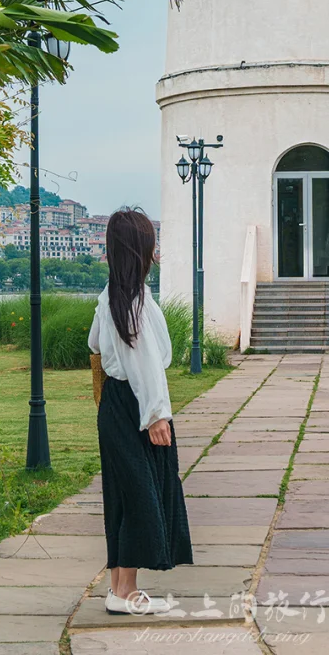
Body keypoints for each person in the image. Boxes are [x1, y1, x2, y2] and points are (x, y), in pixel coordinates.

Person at [88, 207, 192, 615]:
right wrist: (156, 415)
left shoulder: (110, 298)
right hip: (135, 404)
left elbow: (94, 345)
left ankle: (118, 588)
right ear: (140, 250)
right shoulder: (134, 304)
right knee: (141, 493)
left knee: (124, 492)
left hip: (114, 403)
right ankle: (127, 593)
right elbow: (146, 364)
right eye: (151, 243)